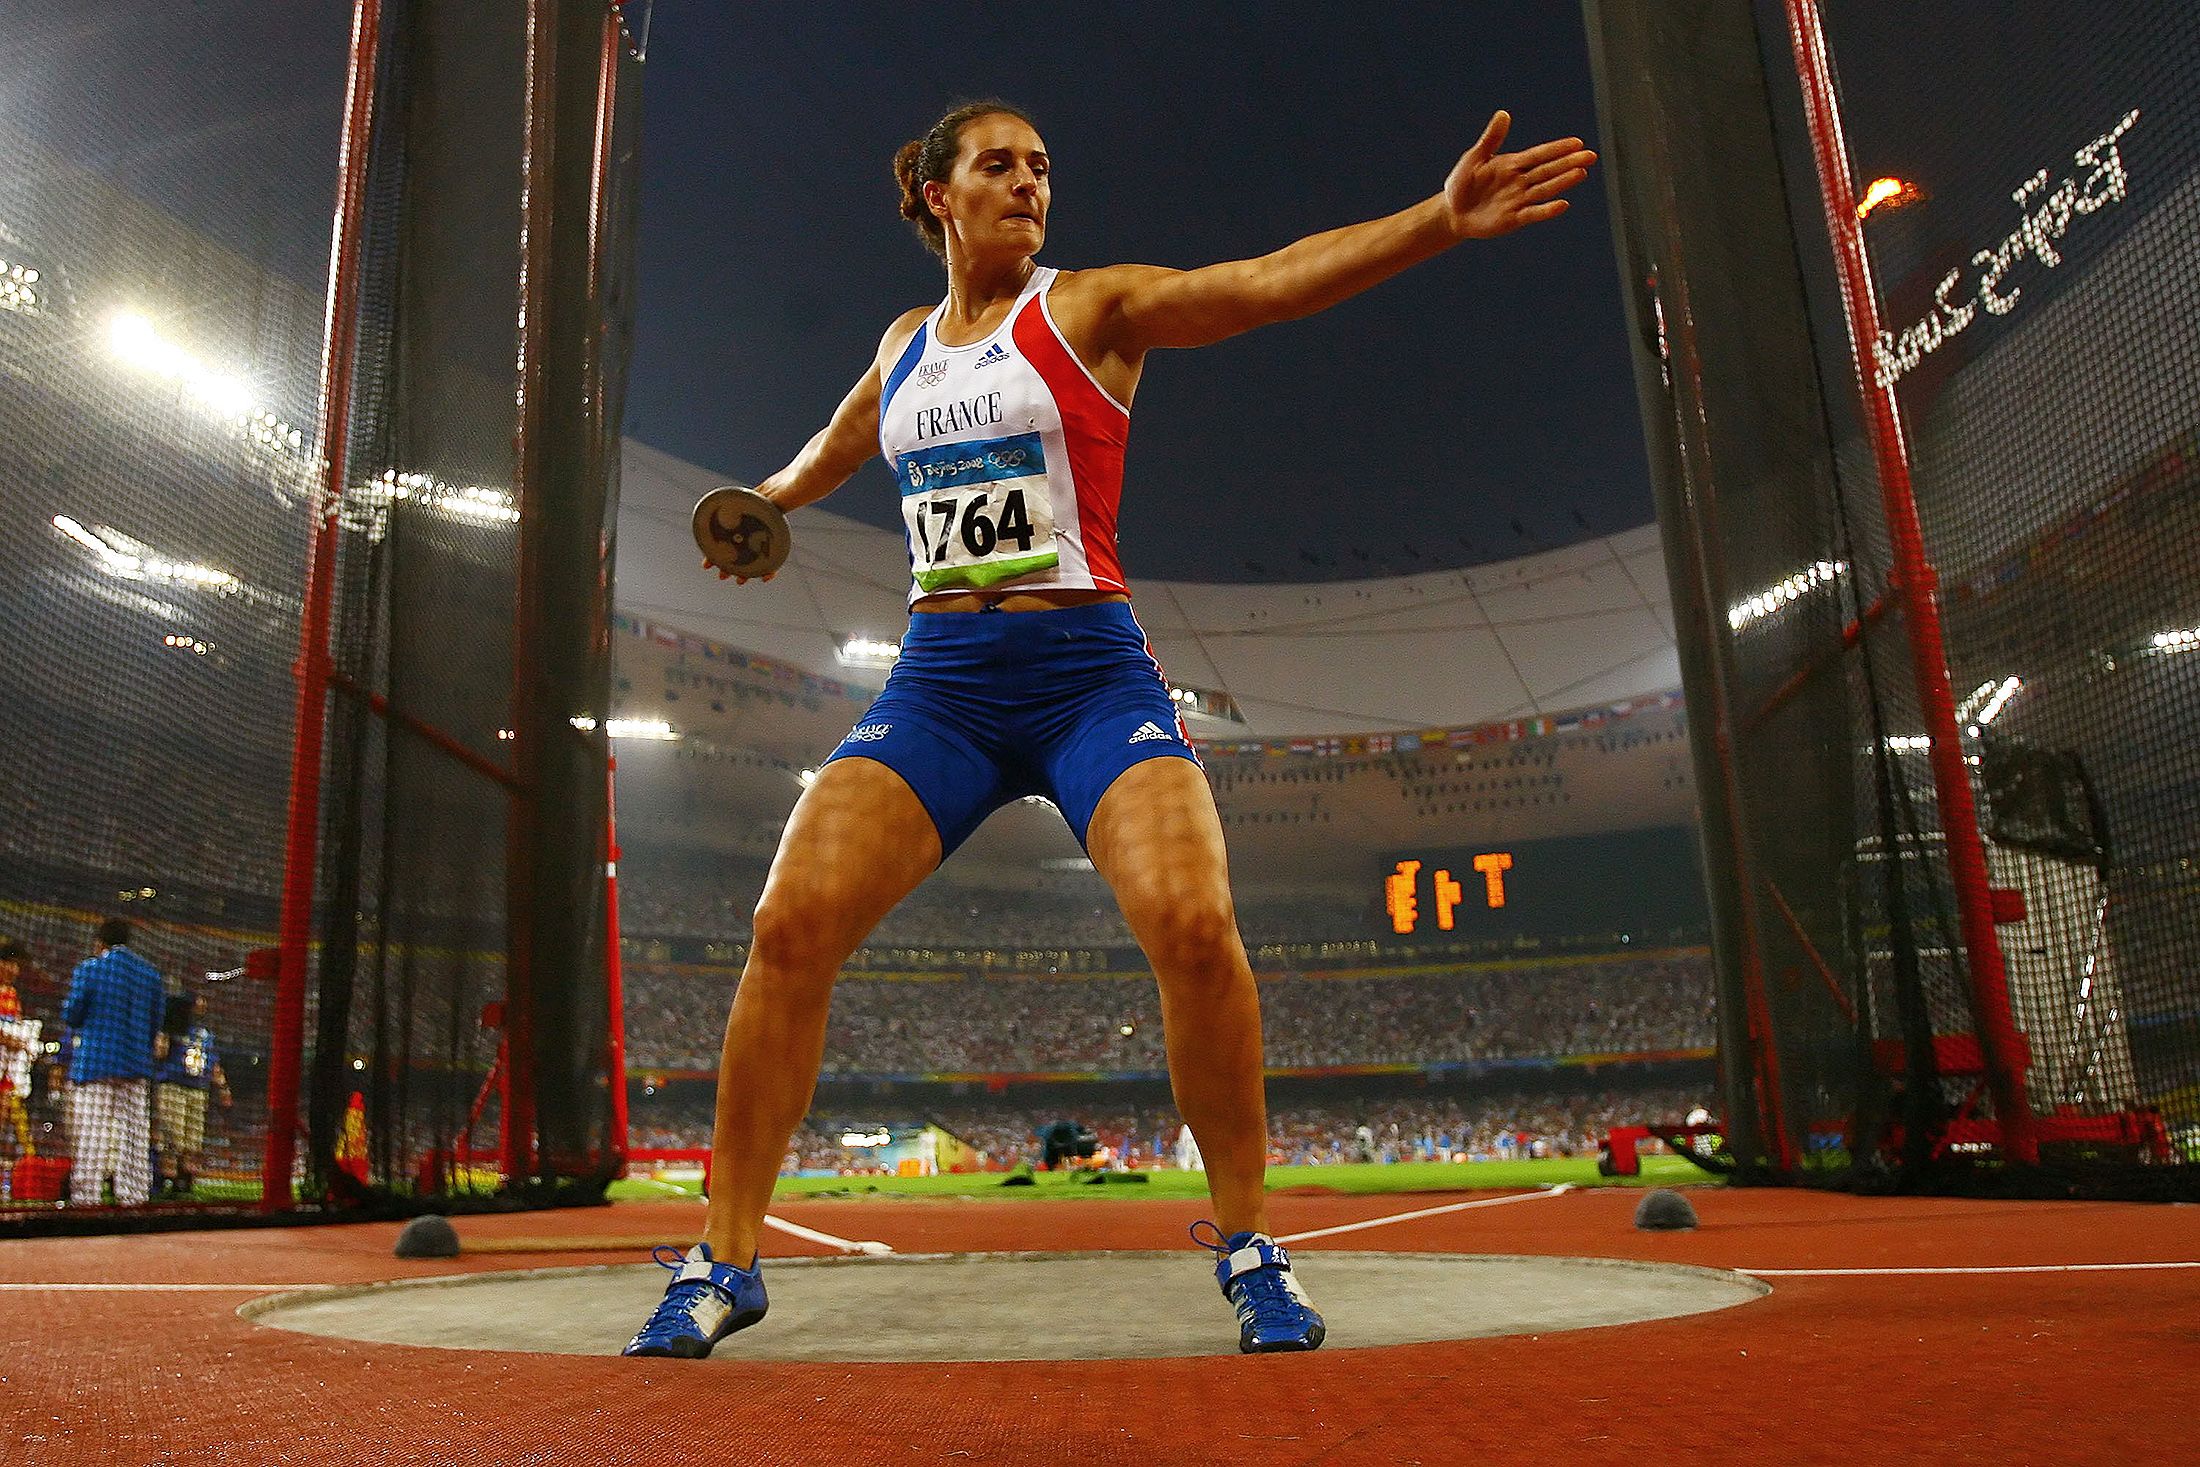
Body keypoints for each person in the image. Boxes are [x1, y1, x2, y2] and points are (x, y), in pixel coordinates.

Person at [625, 98, 1595, 1359]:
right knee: (786, 923)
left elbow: (1260, 285)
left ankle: (1251, 1248)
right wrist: (770, 499)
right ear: (936, 196)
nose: (1029, 184)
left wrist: (1434, 221)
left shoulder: (1090, 309)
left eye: (1041, 167)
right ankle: (725, 1259)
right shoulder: (907, 342)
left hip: (1089, 677)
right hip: (942, 687)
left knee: (1193, 924)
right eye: (999, 166)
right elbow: (852, 430)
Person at [62, 917, 166, 1206]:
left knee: (91, 1136)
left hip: (96, 1064)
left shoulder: (91, 969)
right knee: (134, 1137)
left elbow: (71, 1014)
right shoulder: (150, 975)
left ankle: (86, 1200)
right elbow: (156, 1022)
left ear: (100, 942)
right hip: (135, 1064)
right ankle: (133, 1198)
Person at [153, 990, 231, 1197]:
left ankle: (183, 1181)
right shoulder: (174, 1028)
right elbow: (159, 1053)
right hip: (173, 1086)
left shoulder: (205, 1034)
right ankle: (163, 1180)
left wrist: (223, 1087)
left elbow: (213, 1063)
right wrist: (164, 1033)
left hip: (198, 1089)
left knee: (192, 1142)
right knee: (172, 1138)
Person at [0, 940, 39, 1162]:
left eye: (17, 966)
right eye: (10, 964)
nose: (14, 970)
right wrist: (21, 1044)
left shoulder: (12, 995)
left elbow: (18, 1026)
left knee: (3, 1118)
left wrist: (27, 1043)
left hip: (6, 1071)